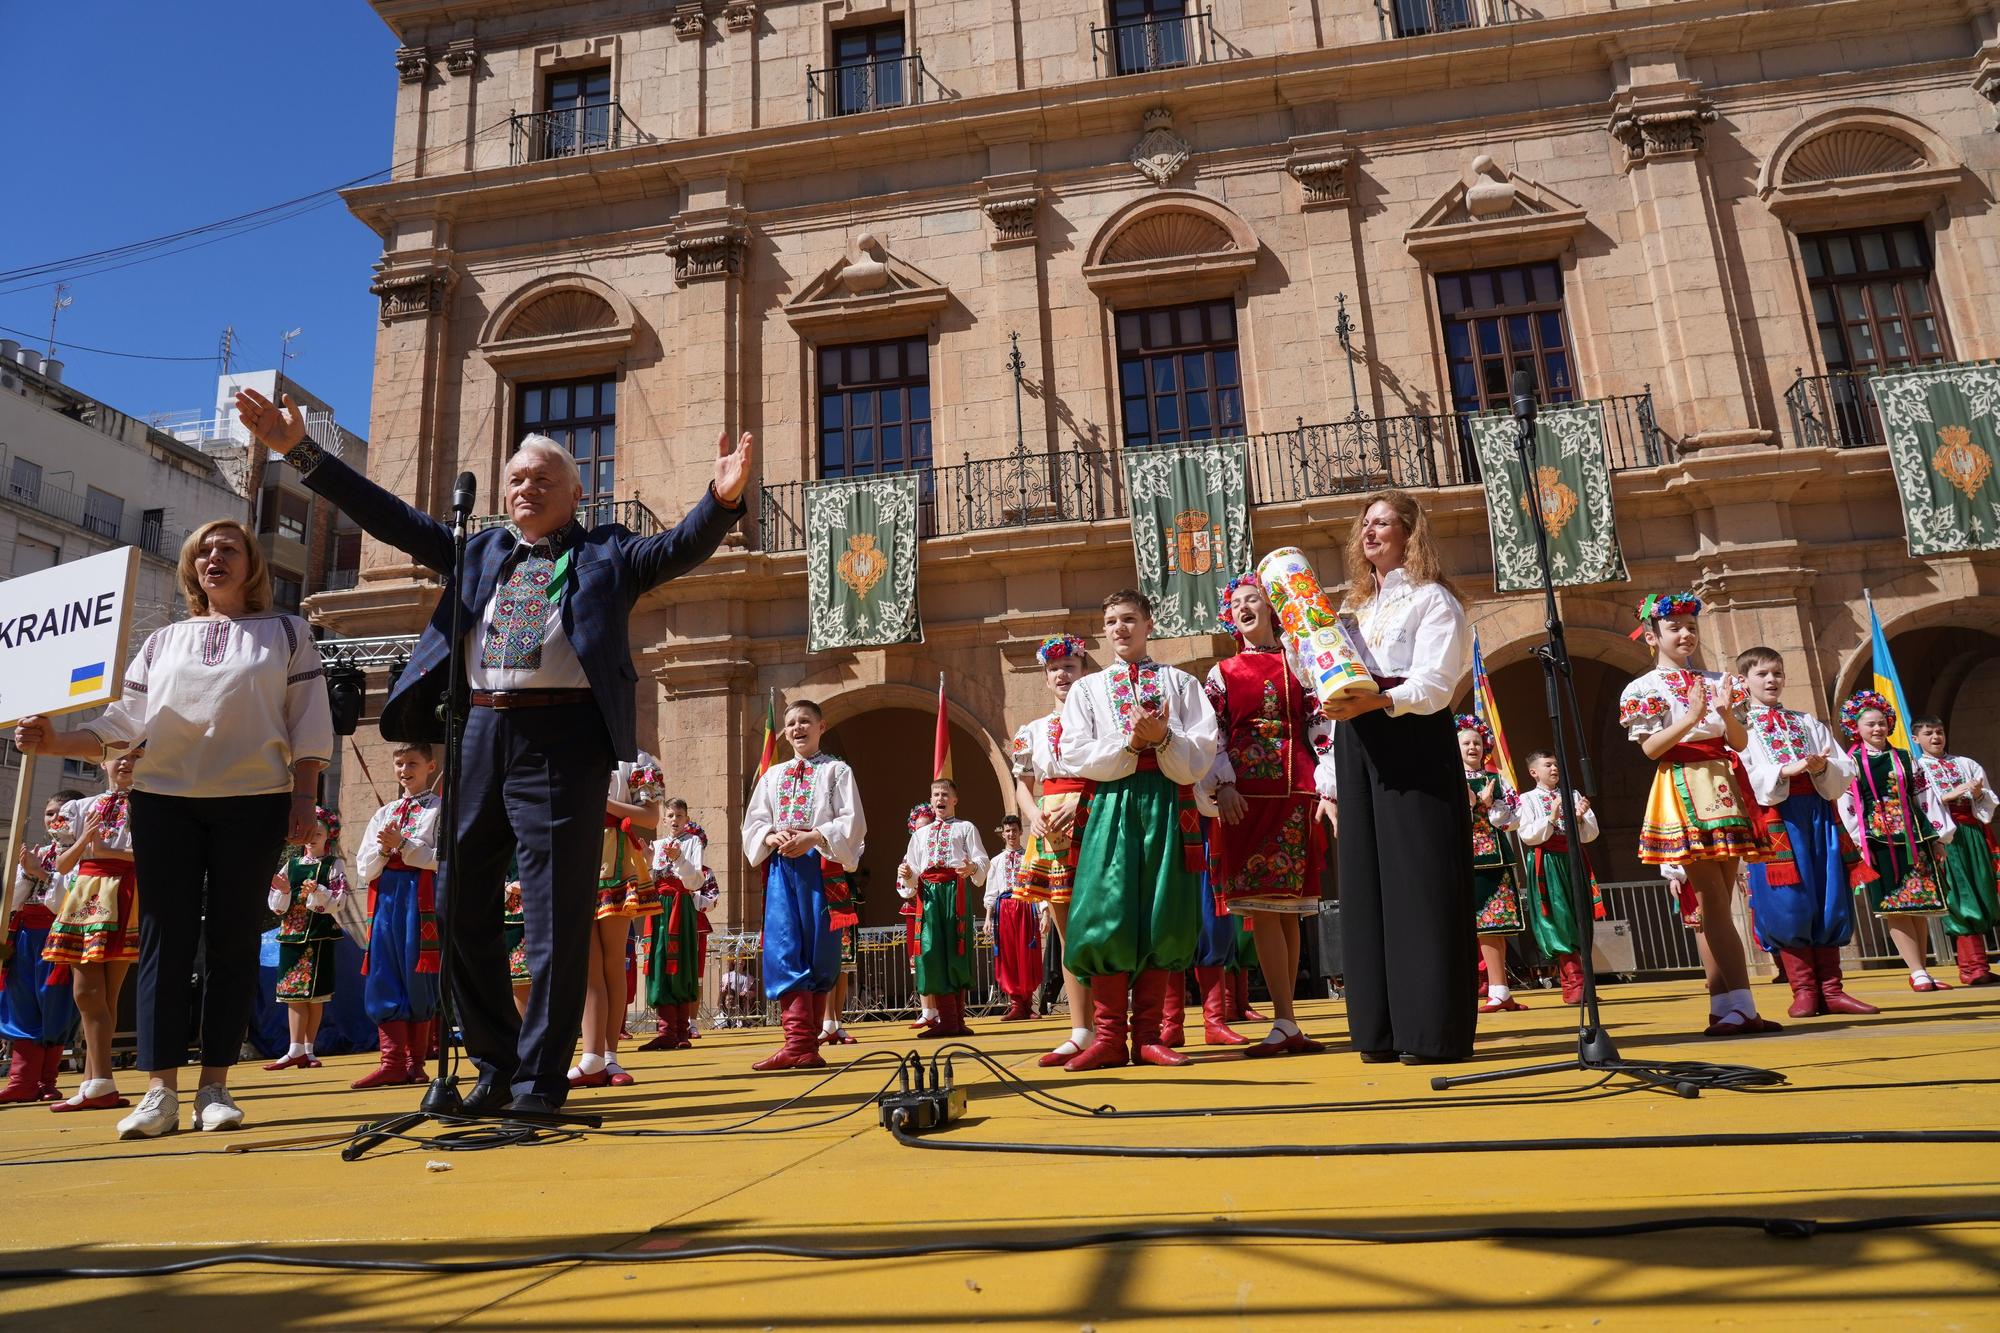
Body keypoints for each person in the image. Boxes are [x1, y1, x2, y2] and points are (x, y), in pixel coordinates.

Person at [234, 388, 750, 1116]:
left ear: (577, 492)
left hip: (562, 737)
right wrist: (302, 453)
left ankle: (542, 1079)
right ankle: (495, 1060)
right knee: (458, 898)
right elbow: (390, 515)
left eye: (543, 478)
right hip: (477, 730)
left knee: (553, 912)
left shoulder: (606, 552)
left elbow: (675, 549)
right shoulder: (475, 551)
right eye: (516, 478)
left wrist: (720, 502)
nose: (526, 487)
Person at [15, 517, 333, 1139]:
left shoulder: (288, 633)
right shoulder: (162, 643)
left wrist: (304, 798)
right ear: (191, 568)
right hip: (163, 801)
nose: (216, 558)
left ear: (252, 564)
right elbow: (120, 724)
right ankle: (159, 1091)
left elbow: (310, 723)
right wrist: (53, 741)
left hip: (254, 799)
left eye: (229, 549)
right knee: (164, 937)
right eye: (204, 551)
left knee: (235, 939)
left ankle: (215, 1085)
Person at [1315, 492, 1476, 1065]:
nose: (1369, 532)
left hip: (1411, 735)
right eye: (1365, 524)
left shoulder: (1433, 601)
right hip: (1359, 739)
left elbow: (1436, 685)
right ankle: (1379, 1028)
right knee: (1366, 883)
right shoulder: (1356, 608)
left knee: (1418, 880)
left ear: (1410, 533)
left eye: (1382, 522)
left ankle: (1430, 1029)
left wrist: (1375, 700)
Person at [1057, 589, 1219, 1071]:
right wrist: (1130, 743)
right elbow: (1075, 752)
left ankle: (1148, 1036)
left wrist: (1164, 738)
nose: (1119, 628)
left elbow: (1203, 750)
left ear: (1150, 624)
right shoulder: (1087, 690)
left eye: (1129, 618)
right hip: (1112, 803)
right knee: (1108, 909)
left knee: (1162, 909)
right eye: (1110, 621)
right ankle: (1108, 1037)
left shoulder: (1180, 683)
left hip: (1168, 801)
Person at [1620, 592, 1780, 1037]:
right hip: (1684, 782)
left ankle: (1725, 1006)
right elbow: (1651, 748)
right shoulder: (1643, 688)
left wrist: (1726, 712)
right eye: (1675, 627)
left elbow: (1742, 743)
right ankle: (1743, 1005)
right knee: (1711, 899)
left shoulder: (1719, 680)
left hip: (1723, 783)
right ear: (1652, 636)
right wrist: (1691, 716)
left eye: (1691, 625)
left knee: (1719, 902)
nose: (1685, 633)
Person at [1198, 573, 1336, 1055]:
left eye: (1253, 599)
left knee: (1291, 907)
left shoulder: (1298, 662)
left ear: (1272, 609)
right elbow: (1212, 733)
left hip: (1296, 790)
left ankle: (1286, 1020)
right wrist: (1225, 782)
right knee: (1262, 905)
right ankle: (1285, 1019)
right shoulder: (1222, 672)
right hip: (1245, 798)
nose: (1244, 607)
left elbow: (1321, 726)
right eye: (1236, 603)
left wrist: (1327, 785)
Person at [1735, 649, 1877, 1017]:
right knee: (1788, 902)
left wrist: (1819, 766)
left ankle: (1832, 988)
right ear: (1745, 679)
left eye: (1778, 673)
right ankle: (1803, 990)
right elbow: (1743, 776)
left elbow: (1844, 765)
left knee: (1829, 895)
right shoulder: (1741, 728)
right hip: (1776, 822)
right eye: (1763, 673)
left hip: (1818, 814)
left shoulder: (1807, 721)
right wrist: (1786, 770)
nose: (1771, 680)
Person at [741, 699, 864, 1071]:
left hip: (821, 867)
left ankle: (806, 1042)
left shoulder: (837, 771)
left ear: (821, 727)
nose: (797, 728)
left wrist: (814, 837)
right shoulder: (772, 776)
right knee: (783, 946)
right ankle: (798, 1042)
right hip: (782, 869)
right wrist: (770, 836)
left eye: (805, 721)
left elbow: (852, 821)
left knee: (820, 950)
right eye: (792, 722)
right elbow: (755, 821)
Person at [40, 751, 144, 1114]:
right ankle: (96, 1081)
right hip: (87, 891)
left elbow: (155, 857)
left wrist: (107, 851)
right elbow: (60, 862)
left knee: (102, 995)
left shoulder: (152, 804)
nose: (126, 762)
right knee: (91, 994)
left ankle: (98, 1082)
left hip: (126, 891)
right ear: (102, 763)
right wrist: (87, 842)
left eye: (135, 755)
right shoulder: (82, 807)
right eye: (118, 756)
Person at [1010, 633, 1096, 1065]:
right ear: (1045, 679)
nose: (1062, 674)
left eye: (1070, 666)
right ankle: (1081, 1028)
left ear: (1084, 672)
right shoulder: (1034, 730)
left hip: (1094, 818)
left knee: (1105, 921)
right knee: (1067, 931)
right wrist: (1034, 815)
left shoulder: (1099, 720)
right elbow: (1023, 783)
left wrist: (1082, 800)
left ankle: (1115, 1022)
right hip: (1050, 828)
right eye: (1054, 669)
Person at [1836, 693, 1954, 990]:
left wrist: (1938, 837)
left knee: (1919, 903)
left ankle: (1922, 970)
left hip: (1915, 836)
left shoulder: (1904, 756)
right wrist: (1859, 846)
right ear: (1856, 728)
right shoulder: (1850, 763)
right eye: (1870, 725)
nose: (1877, 729)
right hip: (1877, 840)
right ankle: (1916, 971)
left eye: (1881, 723)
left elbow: (1924, 797)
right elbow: (1848, 806)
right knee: (1894, 905)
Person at [349, 743, 444, 1088]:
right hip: (387, 900)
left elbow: (442, 858)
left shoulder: (440, 809)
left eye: (413, 763)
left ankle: (415, 1062)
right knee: (383, 972)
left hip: (420, 901)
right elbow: (364, 867)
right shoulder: (384, 812)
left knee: (417, 972)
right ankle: (391, 1062)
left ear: (431, 766)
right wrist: (385, 849)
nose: (405, 769)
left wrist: (403, 846)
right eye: (400, 764)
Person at [574, 754, 663, 1090]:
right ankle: (591, 1057)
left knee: (612, 961)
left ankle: (609, 1056)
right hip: (577, 856)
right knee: (589, 964)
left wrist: (604, 801)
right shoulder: (570, 748)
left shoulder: (638, 759)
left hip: (615, 858)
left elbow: (651, 817)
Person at [1, 789, 84, 1104]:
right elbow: (15, 900)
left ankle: (46, 1081)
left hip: (60, 935)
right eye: (50, 813)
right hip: (25, 937)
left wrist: (41, 874)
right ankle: (22, 1081)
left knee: (56, 1007)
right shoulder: (37, 850)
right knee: (21, 1006)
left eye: (63, 813)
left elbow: (68, 901)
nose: (56, 819)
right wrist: (24, 873)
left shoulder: (84, 853)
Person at [897, 778, 990, 1038]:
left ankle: (955, 1021)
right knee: (932, 950)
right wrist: (907, 873)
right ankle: (951, 1021)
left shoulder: (966, 828)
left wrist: (972, 868)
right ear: (931, 799)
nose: (940, 799)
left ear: (955, 799)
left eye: (945, 794)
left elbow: (981, 859)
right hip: (929, 895)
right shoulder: (920, 835)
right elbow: (914, 869)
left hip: (955, 891)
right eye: (936, 794)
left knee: (956, 948)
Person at [1911, 717, 1999, 987]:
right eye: (1928, 733)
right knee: (1960, 894)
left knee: (1982, 889)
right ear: (1916, 739)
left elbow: (1989, 799)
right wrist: (1948, 797)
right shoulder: (1916, 768)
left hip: (1973, 832)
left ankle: (1978, 964)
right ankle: (1972, 968)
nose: (1936, 737)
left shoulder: (1966, 763)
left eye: (1939, 732)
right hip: (1946, 835)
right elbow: (1917, 803)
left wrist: (1977, 792)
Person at [262, 808, 349, 1071]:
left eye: (318, 833)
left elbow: (339, 902)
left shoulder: (333, 864)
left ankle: (307, 1050)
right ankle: (295, 1049)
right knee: (293, 994)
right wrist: (284, 891)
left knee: (316, 996)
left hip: (319, 936)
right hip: (292, 935)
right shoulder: (293, 865)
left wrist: (320, 891)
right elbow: (277, 906)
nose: (313, 838)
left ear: (328, 837)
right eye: (310, 834)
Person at [1515, 751, 1604, 1005]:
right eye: (1548, 765)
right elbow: (1528, 835)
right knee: (1558, 918)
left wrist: (1580, 817)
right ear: (1534, 772)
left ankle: (1583, 982)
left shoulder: (1573, 794)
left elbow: (1590, 835)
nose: (1554, 768)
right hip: (1548, 862)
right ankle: (1573, 983)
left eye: (1556, 764)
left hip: (1573, 857)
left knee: (1581, 915)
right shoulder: (1528, 799)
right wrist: (1552, 817)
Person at [1456, 717, 1528, 1015]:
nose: (1473, 746)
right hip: (1464, 858)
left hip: (1496, 858)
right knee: (1476, 926)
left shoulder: (1495, 778)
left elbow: (1512, 819)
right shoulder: (1450, 778)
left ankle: (1500, 990)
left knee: (1494, 926)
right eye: (1466, 742)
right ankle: (1492, 990)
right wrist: (1476, 804)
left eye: (1477, 742)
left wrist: (1488, 804)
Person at [639, 799, 715, 1050]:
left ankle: (681, 1030)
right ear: (664, 819)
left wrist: (680, 858)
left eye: (679, 815)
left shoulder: (693, 842)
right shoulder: (657, 844)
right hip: (659, 907)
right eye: (670, 815)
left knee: (681, 962)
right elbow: (652, 880)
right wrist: (649, 862)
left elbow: (694, 882)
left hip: (681, 907)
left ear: (687, 818)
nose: (674, 819)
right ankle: (665, 1030)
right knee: (658, 961)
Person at [984, 815, 1042, 1022]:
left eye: (1014, 830)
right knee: (1008, 956)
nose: (1011, 834)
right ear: (1003, 833)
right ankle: (1016, 1004)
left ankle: (1028, 1004)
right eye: (1007, 831)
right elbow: (991, 891)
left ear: (1020, 831)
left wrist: (1043, 912)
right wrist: (989, 917)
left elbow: (1038, 885)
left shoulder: (1031, 857)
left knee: (1026, 954)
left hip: (1025, 906)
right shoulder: (996, 861)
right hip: (1005, 909)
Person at [821, 846, 863, 1045]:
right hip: (821, 893)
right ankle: (826, 1022)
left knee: (845, 964)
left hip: (842, 893)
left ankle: (837, 1022)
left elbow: (852, 860)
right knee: (828, 960)